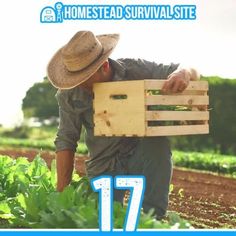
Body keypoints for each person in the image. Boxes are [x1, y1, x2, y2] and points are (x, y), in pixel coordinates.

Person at [47, 30, 199, 219]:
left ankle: (152, 220)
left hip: (141, 156)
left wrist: (183, 73)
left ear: (103, 66)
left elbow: (187, 68)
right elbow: (66, 141)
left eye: (84, 79)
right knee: (100, 220)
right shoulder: (69, 93)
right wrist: (62, 195)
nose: (79, 85)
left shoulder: (134, 70)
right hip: (104, 165)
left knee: (157, 143)